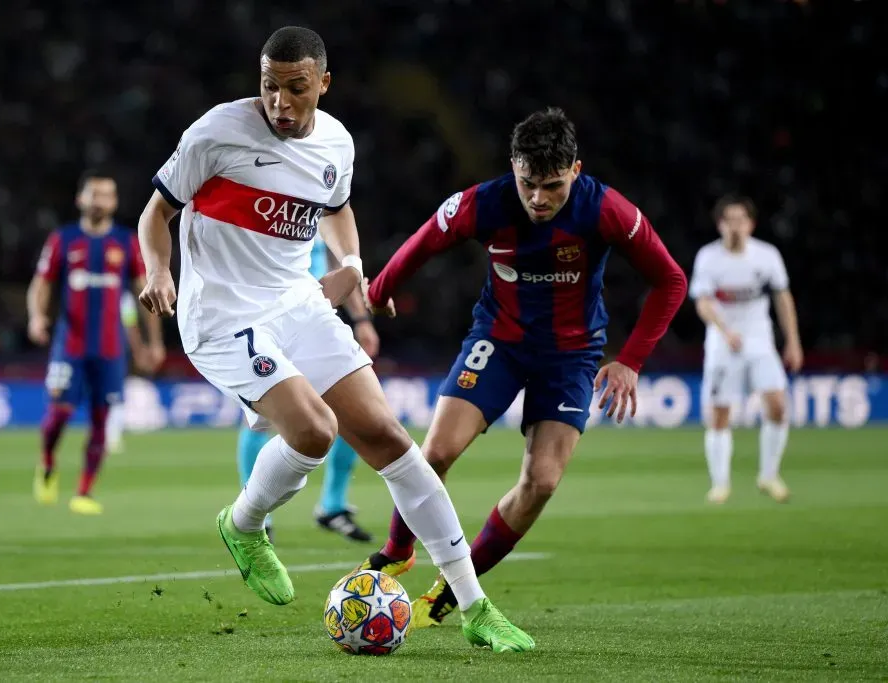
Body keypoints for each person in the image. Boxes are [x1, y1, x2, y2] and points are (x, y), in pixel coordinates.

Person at [136, 26, 534, 652]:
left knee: (391, 440)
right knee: (315, 431)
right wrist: (159, 270)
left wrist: (351, 263)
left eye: (296, 88)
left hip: (299, 305)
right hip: (222, 316)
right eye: (269, 87)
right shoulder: (216, 131)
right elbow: (155, 212)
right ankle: (244, 524)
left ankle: (475, 607)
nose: (280, 102)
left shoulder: (336, 142)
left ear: (323, 82)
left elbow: (337, 207)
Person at [358, 108, 688, 628]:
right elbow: (425, 240)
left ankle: (452, 589)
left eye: (552, 186)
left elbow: (671, 280)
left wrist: (630, 360)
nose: (538, 198)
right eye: (528, 183)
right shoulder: (484, 203)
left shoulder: (606, 209)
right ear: (513, 166)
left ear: (575, 170)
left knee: (542, 481)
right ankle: (398, 550)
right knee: (436, 452)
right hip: (498, 341)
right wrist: (379, 292)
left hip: (571, 355)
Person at [28, 170, 164, 515]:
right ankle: (47, 462)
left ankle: (84, 492)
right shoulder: (64, 239)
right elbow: (41, 283)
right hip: (69, 345)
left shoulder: (125, 242)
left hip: (110, 349)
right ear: (81, 199)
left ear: (114, 202)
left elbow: (143, 291)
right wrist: (37, 316)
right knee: (58, 414)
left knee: (102, 421)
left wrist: (154, 342)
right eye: (95, 194)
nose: (101, 201)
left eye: (107, 195)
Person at [236, 234, 378, 543]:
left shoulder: (323, 214)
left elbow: (340, 268)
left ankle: (333, 505)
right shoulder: (266, 213)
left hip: (316, 325)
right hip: (267, 324)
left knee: (353, 411)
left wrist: (361, 320)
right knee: (263, 418)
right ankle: (255, 514)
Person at [689, 195, 803, 504]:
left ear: (751, 224)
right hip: (722, 342)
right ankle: (720, 484)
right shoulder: (708, 257)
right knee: (719, 414)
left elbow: (782, 298)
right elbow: (703, 303)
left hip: (759, 340)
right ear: (720, 224)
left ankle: (769, 475)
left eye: (741, 219)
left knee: (777, 405)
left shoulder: (767, 255)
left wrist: (793, 340)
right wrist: (725, 331)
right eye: (729, 220)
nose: (735, 226)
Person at [105, 291, 163, 455]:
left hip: (108, 345)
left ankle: (111, 433)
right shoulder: (122, 295)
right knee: (114, 390)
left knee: (112, 390)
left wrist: (137, 349)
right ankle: (111, 435)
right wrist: (138, 349)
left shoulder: (117, 296)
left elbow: (130, 324)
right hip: (112, 347)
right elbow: (131, 326)